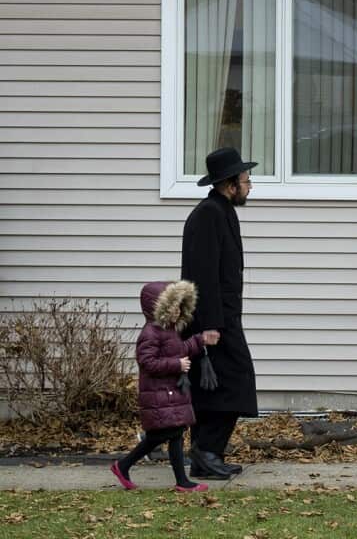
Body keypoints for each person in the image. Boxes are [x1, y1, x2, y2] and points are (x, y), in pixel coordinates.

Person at [181, 147, 258, 480]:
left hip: (223, 317)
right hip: (214, 321)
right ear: (230, 184)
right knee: (237, 382)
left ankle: (206, 457)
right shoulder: (209, 214)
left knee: (211, 388)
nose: (250, 185)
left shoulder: (221, 210)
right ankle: (207, 450)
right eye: (245, 179)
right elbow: (202, 273)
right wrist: (210, 324)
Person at [110, 280, 220, 492]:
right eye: (172, 307)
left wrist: (199, 341)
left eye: (179, 306)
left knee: (173, 434)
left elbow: (179, 350)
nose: (177, 311)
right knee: (165, 435)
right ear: (157, 308)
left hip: (170, 393)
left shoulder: (169, 331)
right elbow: (147, 362)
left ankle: (175, 480)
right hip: (158, 393)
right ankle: (126, 466)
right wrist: (176, 365)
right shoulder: (151, 332)